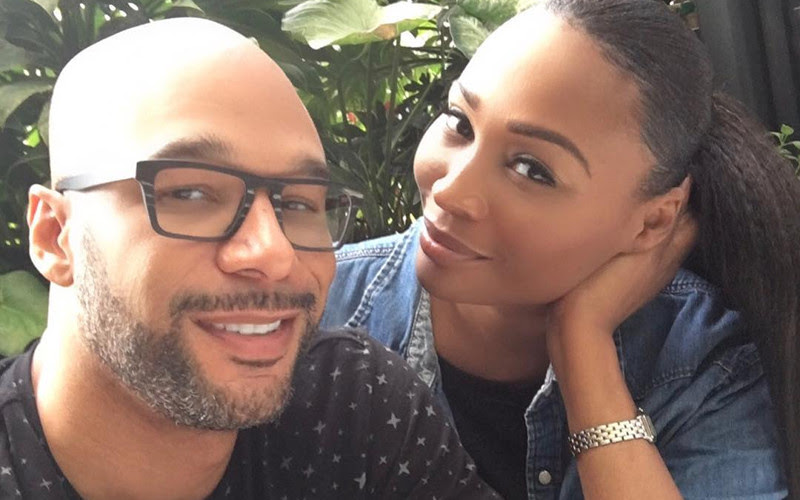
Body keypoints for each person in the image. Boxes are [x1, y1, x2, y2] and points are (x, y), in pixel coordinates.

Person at [0, 18, 501, 499]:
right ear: (54, 235)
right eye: (191, 193)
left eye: (299, 204)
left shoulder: (355, 409)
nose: (275, 254)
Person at [322, 0, 800, 498]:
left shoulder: (705, 369)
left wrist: (582, 345)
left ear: (653, 221)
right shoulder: (320, 311)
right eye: (460, 123)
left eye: (531, 169)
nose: (449, 191)